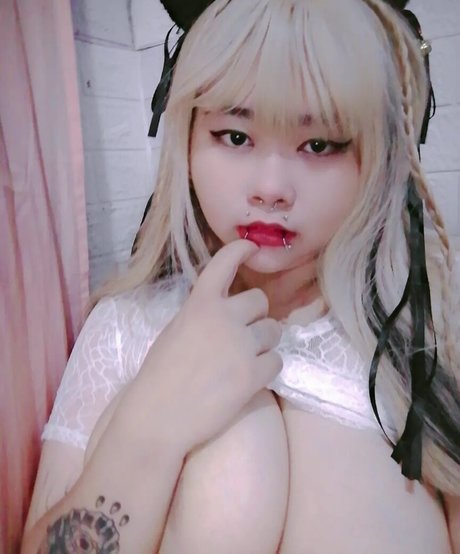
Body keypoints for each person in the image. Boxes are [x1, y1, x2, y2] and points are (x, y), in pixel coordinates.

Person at [22, 0, 460, 552]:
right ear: (187, 139)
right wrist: (151, 418)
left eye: (319, 144)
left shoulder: (431, 336)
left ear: (374, 157)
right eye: (234, 136)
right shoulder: (122, 328)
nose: (271, 188)